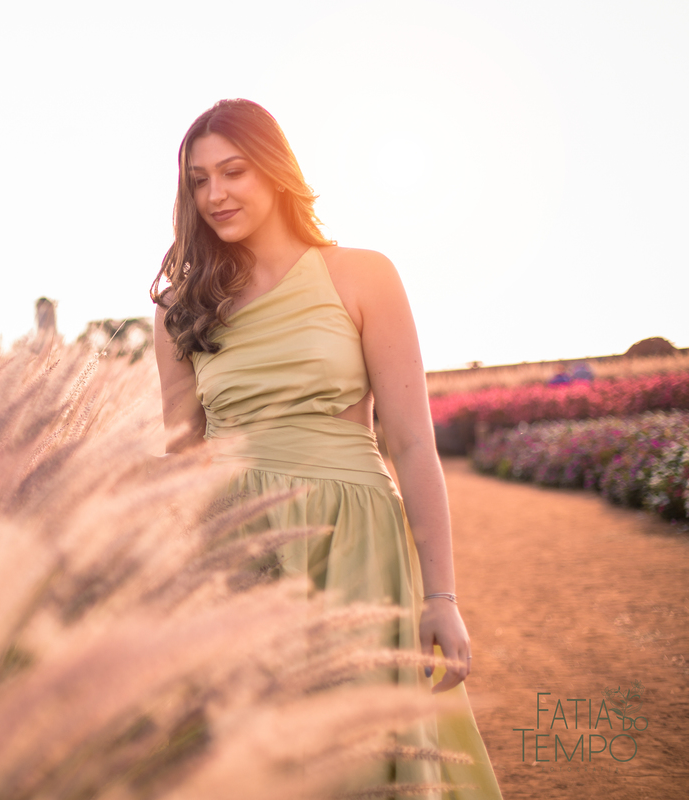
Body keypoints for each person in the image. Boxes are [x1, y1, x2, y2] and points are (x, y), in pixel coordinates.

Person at [150, 99, 502, 798]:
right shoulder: (179, 312)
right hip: (236, 556)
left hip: (354, 546)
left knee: (358, 760)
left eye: (233, 171)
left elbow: (409, 442)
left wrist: (441, 594)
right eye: (198, 181)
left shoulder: (361, 275)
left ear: (277, 171)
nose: (215, 195)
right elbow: (182, 458)